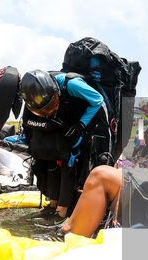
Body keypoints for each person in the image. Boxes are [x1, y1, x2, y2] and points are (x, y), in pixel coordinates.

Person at [21, 69, 104, 227]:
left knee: (68, 164)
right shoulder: (31, 95)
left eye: (50, 105)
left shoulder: (71, 85)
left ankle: (61, 213)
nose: (47, 111)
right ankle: (53, 206)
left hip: (79, 125)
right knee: (52, 161)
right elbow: (28, 120)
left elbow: (97, 100)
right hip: (60, 126)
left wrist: (81, 125)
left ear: (54, 90)